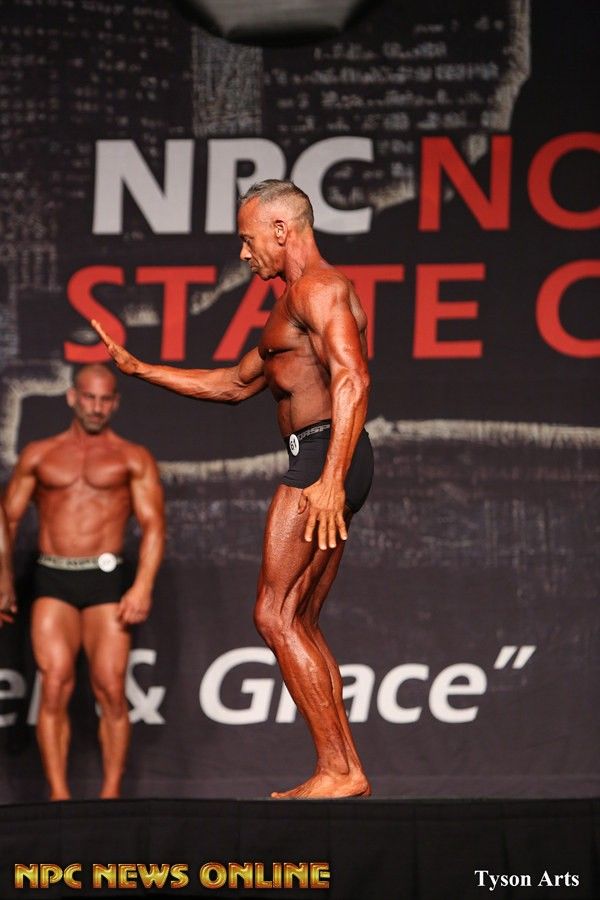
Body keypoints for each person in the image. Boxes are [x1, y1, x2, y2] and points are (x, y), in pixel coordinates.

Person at [92, 179, 374, 799]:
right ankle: (345, 768)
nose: (244, 254)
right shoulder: (293, 304)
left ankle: (337, 769)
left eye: (248, 240)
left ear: (281, 229)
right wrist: (141, 370)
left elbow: (352, 378)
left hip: (325, 454)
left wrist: (330, 479)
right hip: (328, 455)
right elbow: (233, 384)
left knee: (273, 613)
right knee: (299, 618)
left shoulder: (319, 288)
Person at [2, 364, 165, 800]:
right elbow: (8, 519)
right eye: (89, 397)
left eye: (105, 399)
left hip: (106, 580)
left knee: (110, 687)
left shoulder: (131, 457)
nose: (96, 407)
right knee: (54, 683)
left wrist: (143, 586)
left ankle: (111, 798)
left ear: (116, 403)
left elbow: (154, 525)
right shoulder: (40, 454)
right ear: (72, 397)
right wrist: (3, 579)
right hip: (52, 576)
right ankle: (59, 798)